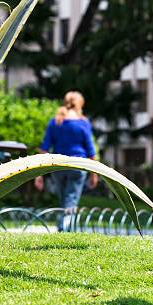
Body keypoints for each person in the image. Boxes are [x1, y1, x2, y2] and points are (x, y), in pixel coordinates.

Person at [34, 91, 98, 232]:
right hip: (77, 165)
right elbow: (90, 150)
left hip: (58, 166)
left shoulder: (56, 121)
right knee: (71, 199)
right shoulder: (82, 123)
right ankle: (65, 229)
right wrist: (94, 173)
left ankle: (63, 227)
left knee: (63, 199)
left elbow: (44, 148)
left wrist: (38, 174)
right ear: (80, 104)